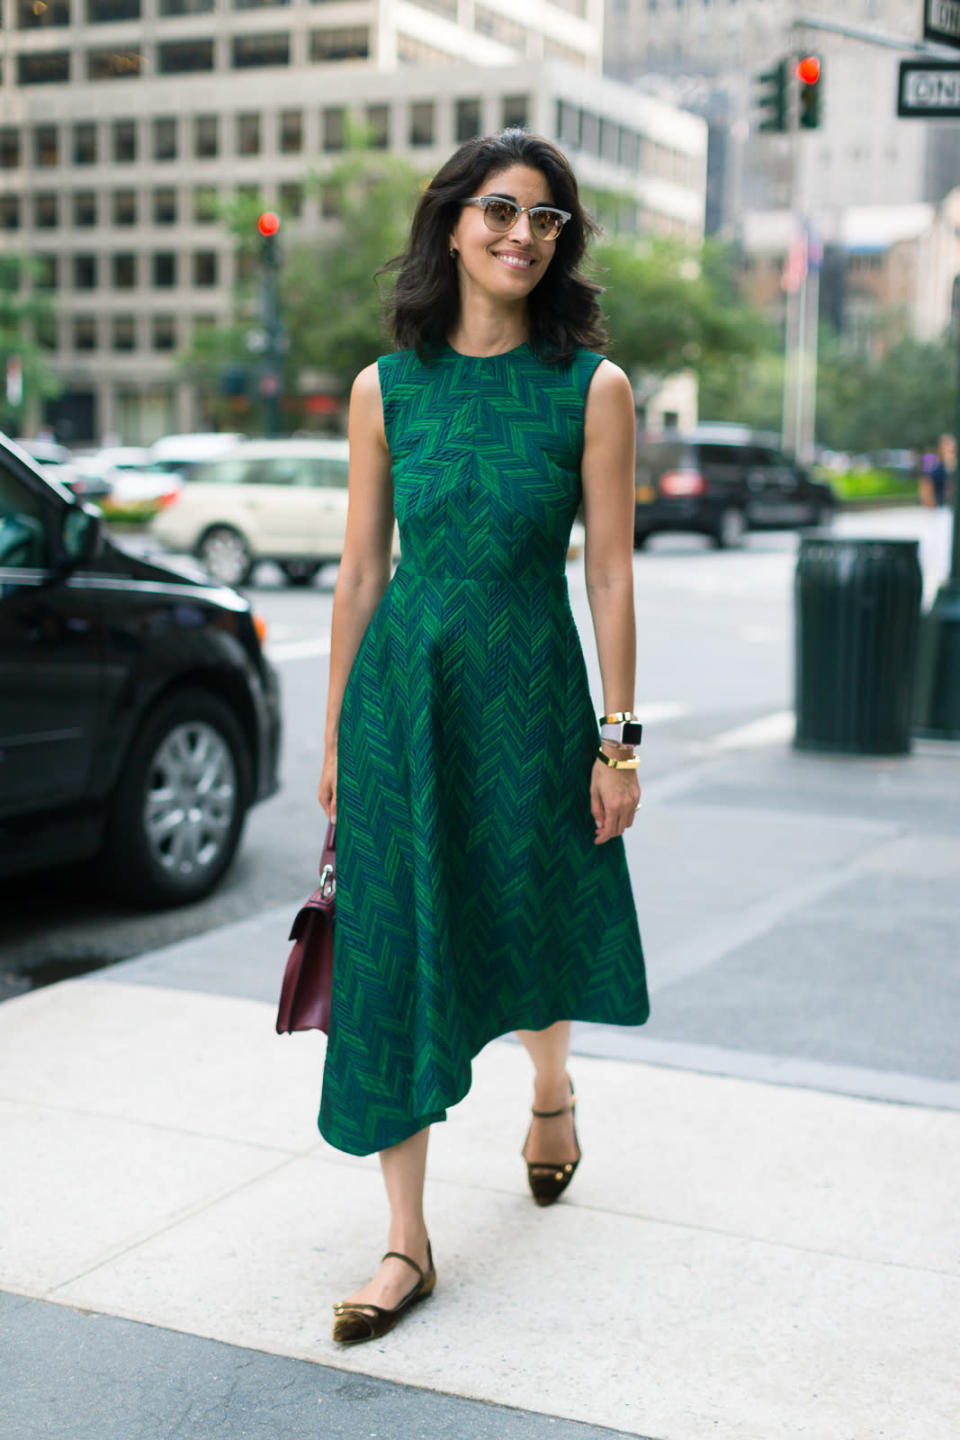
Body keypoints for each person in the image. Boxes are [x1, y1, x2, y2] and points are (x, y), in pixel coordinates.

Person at [316, 129, 649, 1345]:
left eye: (547, 218)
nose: (522, 233)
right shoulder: (384, 385)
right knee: (397, 948)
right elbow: (359, 574)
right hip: (405, 700)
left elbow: (609, 575)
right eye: (500, 210)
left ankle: (549, 1091)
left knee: (524, 915)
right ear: (452, 222)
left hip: (528, 696)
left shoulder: (590, 386)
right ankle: (406, 1240)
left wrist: (617, 739)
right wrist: (344, 730)